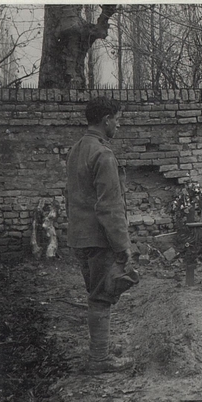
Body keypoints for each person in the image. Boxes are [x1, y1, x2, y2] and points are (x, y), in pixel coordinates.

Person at [66, 96, 138, 374]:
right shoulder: (103, 154)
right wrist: (123, 246)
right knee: (101, 297)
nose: (118, 124)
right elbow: (109, 207)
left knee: (95, 293)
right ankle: (99, 360)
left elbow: (70, 196)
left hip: (79, 238)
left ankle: (101, 348)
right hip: (99, 240)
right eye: (117, 119)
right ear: (106, 119)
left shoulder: (76, 149)